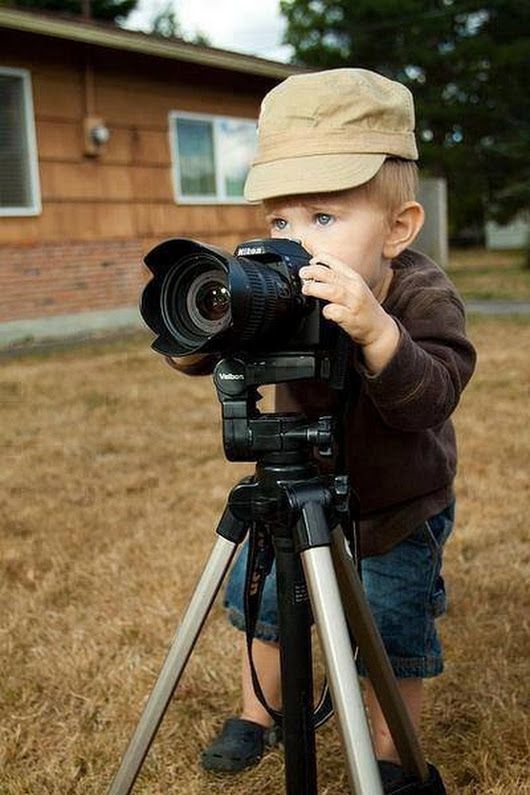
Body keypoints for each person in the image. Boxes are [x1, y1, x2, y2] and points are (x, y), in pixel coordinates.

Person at [167, 68, 476, 787]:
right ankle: (259, 712)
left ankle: (393, 755)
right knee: (268, 610)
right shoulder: (283, 281)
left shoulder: (423, 294)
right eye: (281, 222)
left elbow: (430, 399)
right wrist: (201, 323)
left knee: (390, 636)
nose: (295, 243)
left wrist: (377, 331)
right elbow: (201, 350)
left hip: (395, 509)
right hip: (291, 490)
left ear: (398, 228)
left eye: (324, 220)